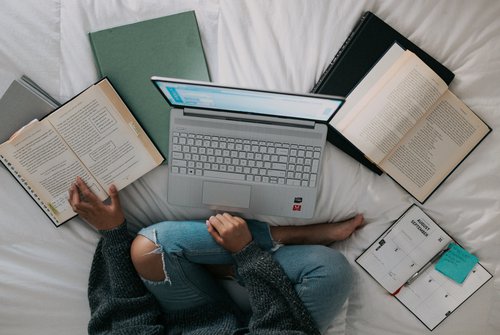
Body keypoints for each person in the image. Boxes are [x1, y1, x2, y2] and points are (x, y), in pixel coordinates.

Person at [69, 177, 364, 334]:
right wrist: (246, 254)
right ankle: (233, 266)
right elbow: (279, 328)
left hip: (195, 320)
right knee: (331, 269)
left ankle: (280, 236)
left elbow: (128, 320)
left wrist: (114, 232)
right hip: (275, 329)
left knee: (150, 247)